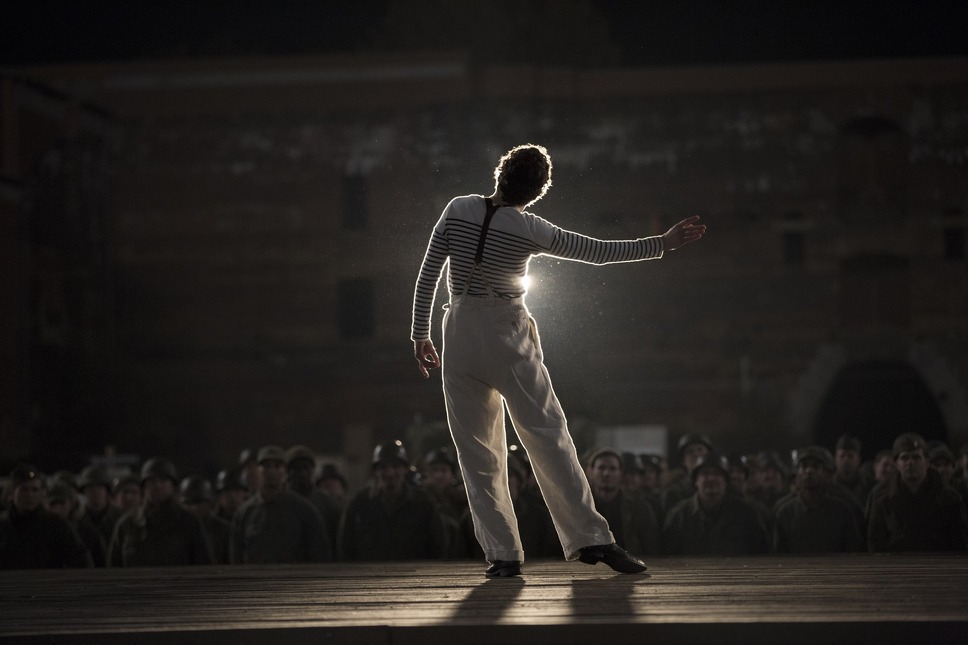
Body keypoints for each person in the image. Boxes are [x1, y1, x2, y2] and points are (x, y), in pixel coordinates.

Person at [410, 143, 706, 577]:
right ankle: (591, 539)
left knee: (476, 450)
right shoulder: (530, 227)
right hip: (505, 329)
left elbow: (427, 275)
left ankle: (503, 553)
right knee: (548, 436)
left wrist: (420, 333)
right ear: (536, 192)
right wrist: (662, 243)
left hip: (457, 329)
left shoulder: (457, 209)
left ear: (500, 174)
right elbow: (598, 252)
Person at [339, 440, 447, 561]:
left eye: (395, 466)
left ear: (405, 469)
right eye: (383, 467)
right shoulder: (359, 504)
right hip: (369, 578)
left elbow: (438, 548)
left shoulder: (424, 504)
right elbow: (346, 548)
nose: (390, 473)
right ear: (375, 471)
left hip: (414, 578)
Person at [231, 446, 332, 564]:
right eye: (266, 466)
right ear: (258, 470)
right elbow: (236, 555)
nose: (271, 472)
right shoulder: (245, 512)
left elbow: (319, 553)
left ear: (285, 472)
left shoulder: (303, 509)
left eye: (277, 466)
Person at [868, 433, 968, 552]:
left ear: (926, 462)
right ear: (896, 464)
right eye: (904, 458)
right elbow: (875, 543)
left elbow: (959, 544)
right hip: (896, 566)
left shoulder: (948, 498)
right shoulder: (882, 497)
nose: (910, 463)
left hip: (937, 566)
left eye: (916, 457)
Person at [108, 458, 214, 567]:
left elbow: (203, 564)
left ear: (172, 486)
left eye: (163, 481)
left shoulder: (189, 522)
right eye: (151, 481)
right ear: (143, 487)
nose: (157, 485)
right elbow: (114, 566)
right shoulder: (127, 524)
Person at [662, 453, 770, 556]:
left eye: (717, 473)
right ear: (696, 481)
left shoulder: (747, 514)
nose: (711, 478)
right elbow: (667, 554)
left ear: (726, 481)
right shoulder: (679, 515)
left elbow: (762, 552)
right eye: (705, 473)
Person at [772, 446, 865, 553]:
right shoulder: (785, 513)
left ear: (826, 473)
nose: (809, 471)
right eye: (804, 466)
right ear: (797, 473)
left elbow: (853, 550)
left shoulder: (841, 511)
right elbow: (778, 554)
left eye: (815, 467)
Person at [0, 464, 93, 569]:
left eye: (35, 490)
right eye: (24, 489)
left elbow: (80, 559)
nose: (30, 495)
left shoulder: (56, 525)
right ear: (13, 493)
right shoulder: (3, 525)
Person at [586, 448, 660, 558]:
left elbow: (651, 547)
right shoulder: (581, 506)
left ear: (621, 473)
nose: (606, 473)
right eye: (601, 468)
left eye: (612, 468)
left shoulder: (639, 507)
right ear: (590, 472)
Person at [285, 445, 341, 557]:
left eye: (306, 468)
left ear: (313, 470)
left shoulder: (329, 505)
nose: (302, 473)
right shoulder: (280, 503)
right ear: (288, 472)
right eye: (296, 469)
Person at [179, 475, 231, 564]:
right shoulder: (177, 529)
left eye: (198, 502)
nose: (194, 508)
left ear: (208, 503)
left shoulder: (224, 529)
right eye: (189, 503)